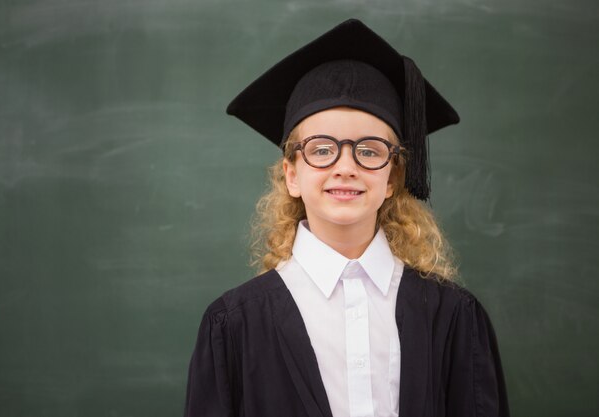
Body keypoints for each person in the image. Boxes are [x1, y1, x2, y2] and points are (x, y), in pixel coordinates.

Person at [183, 18, 509, 417]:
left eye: (369, 151)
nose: (345, 167)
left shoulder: (454, 317)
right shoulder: (234, 326)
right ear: (291, 174)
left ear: (393, 178)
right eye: (322, 150)